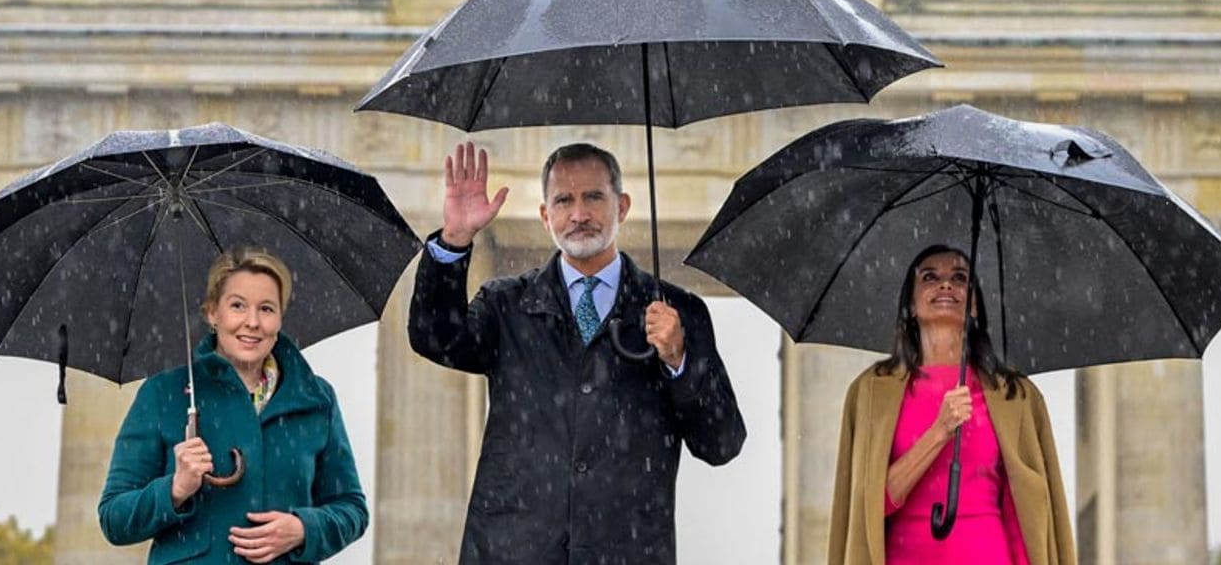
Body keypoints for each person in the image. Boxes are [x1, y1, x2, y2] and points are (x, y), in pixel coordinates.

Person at [410, 140, 747, 564]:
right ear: (545, 215)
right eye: (563, 200)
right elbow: (434, 338)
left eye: (593, 197)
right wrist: (454, 241)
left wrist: (679, 360)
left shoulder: (679, 313)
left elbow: (722, 442)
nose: (579, 214)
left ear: (622, 206)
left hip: (627, 552)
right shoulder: (505, 305)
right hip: (513, 551)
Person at [99, 248, 368, 564]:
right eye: (237, 305)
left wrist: (303, 529)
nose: (252, 322)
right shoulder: (163, 393)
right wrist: (175, 488)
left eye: (266, 309)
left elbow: (351, 509)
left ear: (281, 317)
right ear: (213, 312)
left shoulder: (316, 398)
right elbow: (114, 518)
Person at [827, 245, 1075, 565]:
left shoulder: (1015, 396)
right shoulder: (873, 392)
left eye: (960, 278)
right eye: (930, 277)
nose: (946, 285)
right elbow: (870, 506)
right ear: (911, 305)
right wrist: (939, 431)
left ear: (974, 305)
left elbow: (1025, 514)